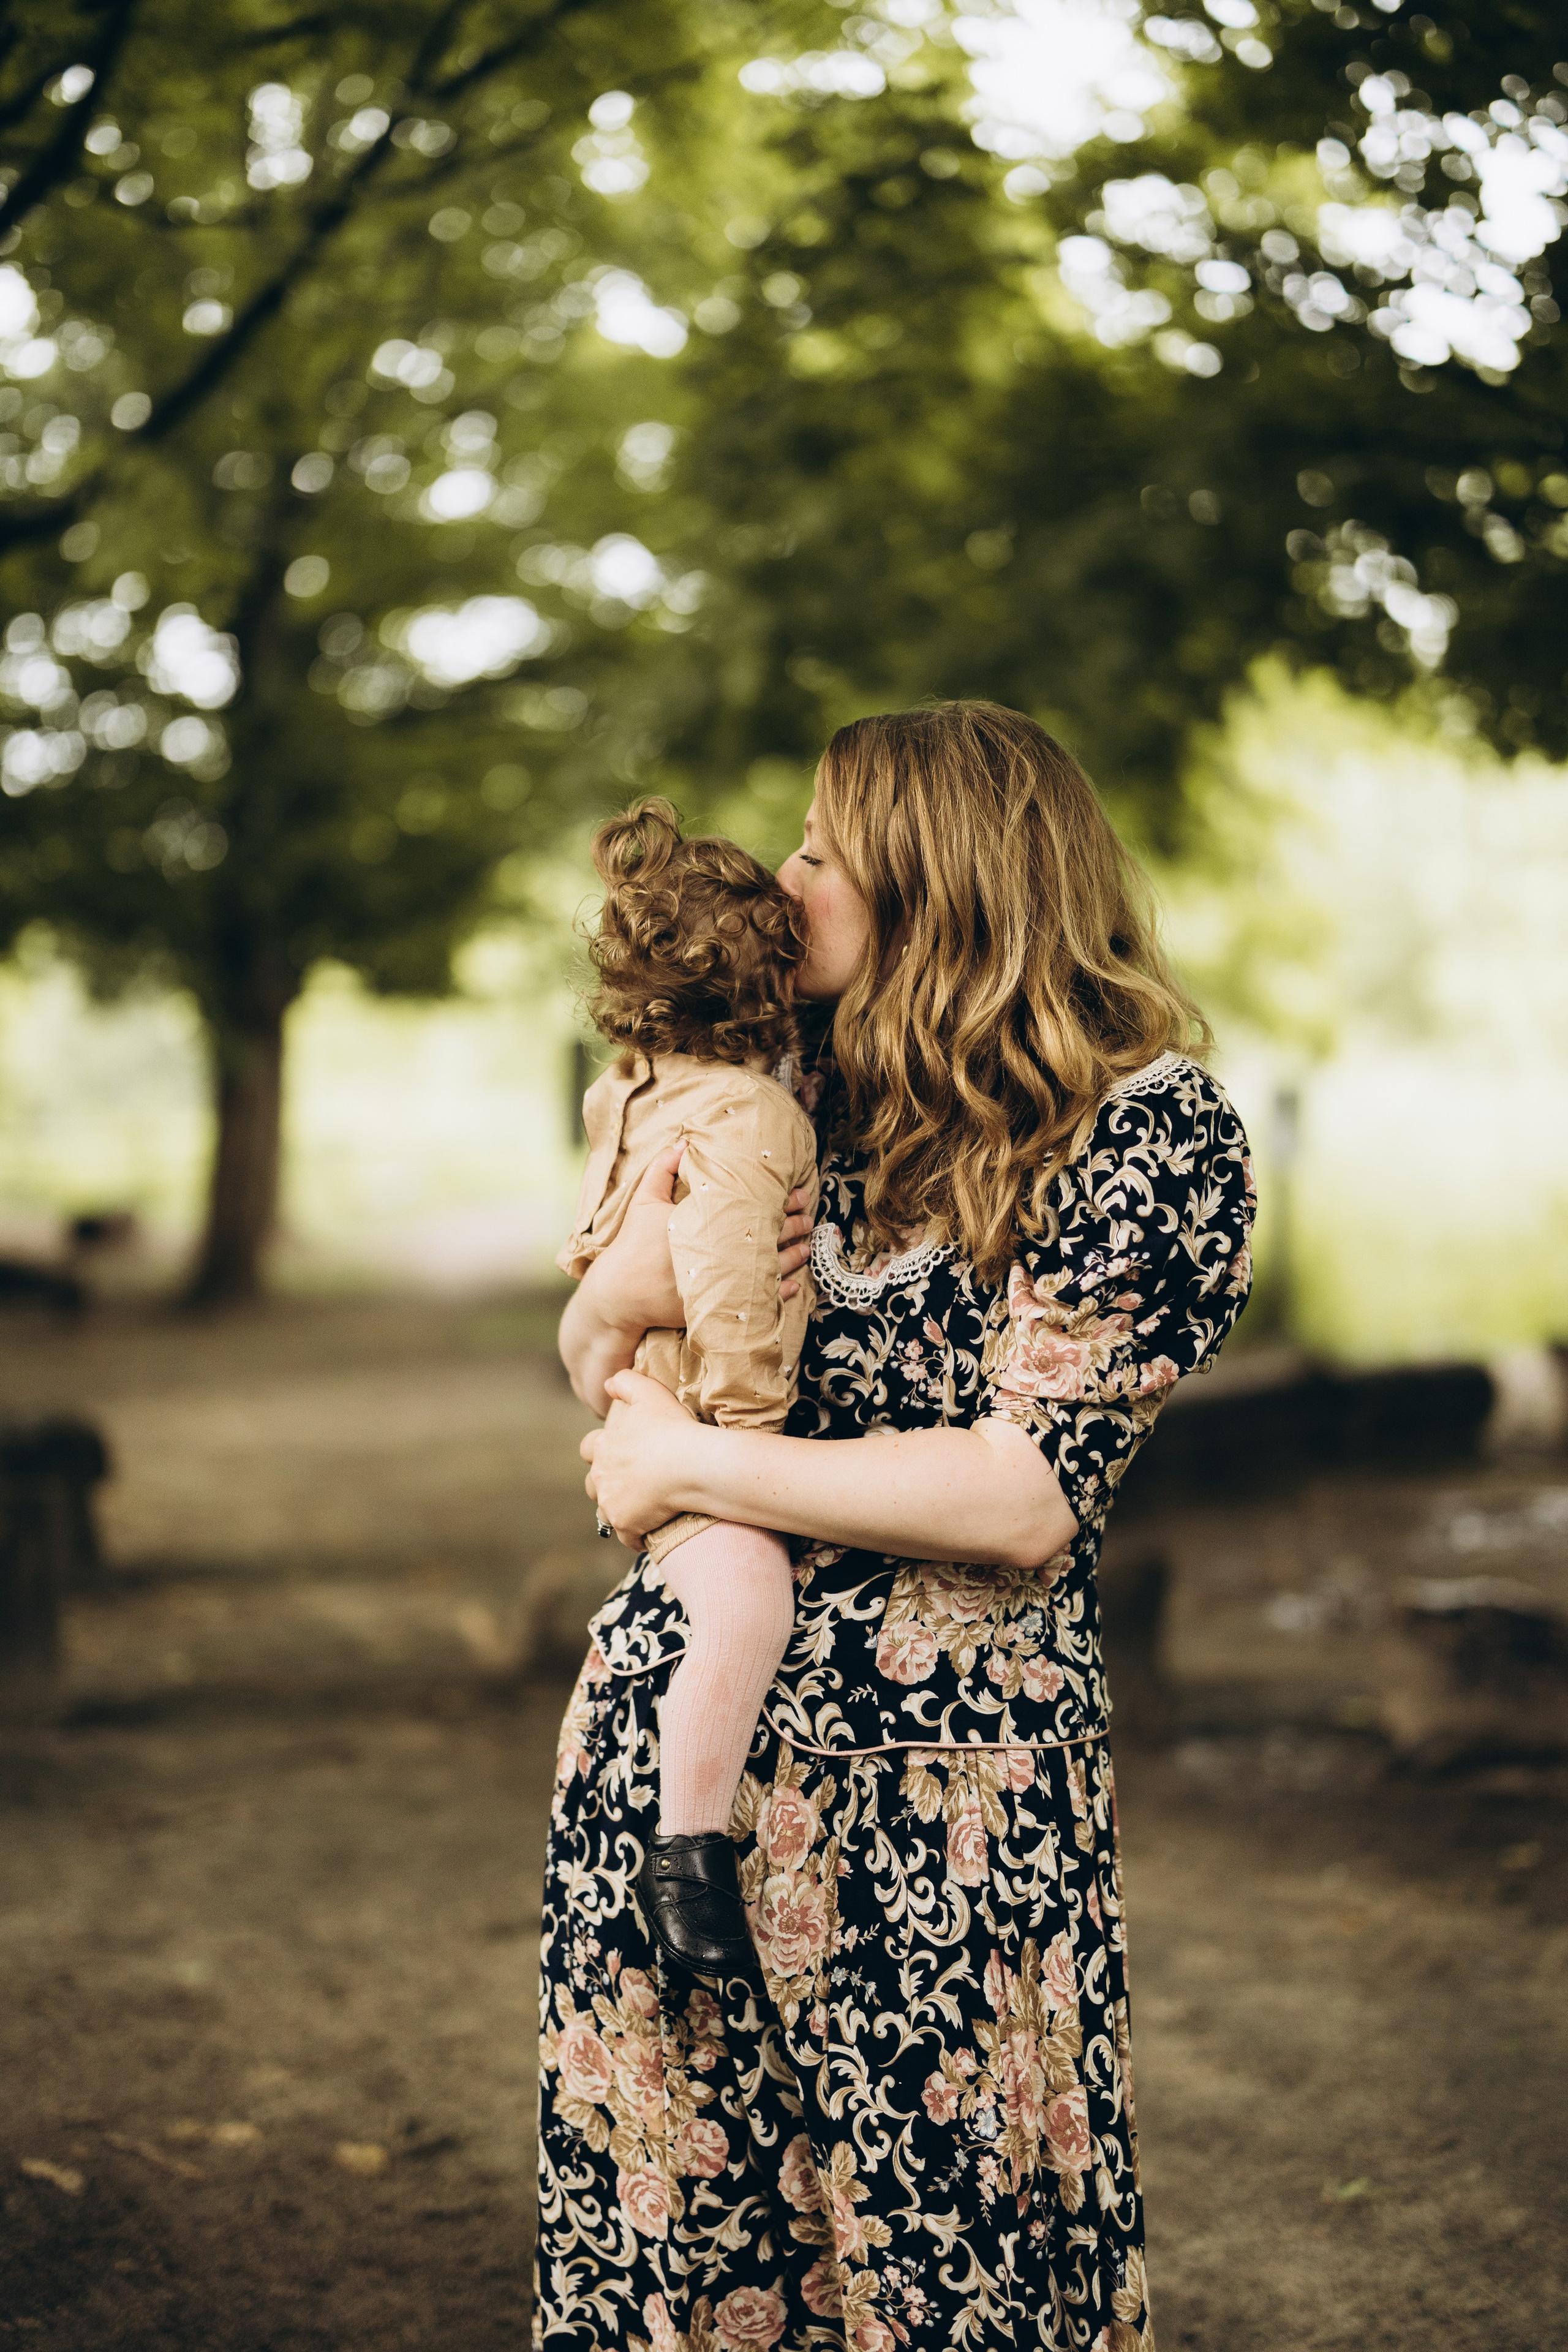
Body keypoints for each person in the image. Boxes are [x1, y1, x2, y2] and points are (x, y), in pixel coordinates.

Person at [539, 703, 1254, 2352]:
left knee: (942, 2268)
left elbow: (1018, 1495)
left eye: (817, 845)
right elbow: (627, 1343)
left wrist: (686, 1479)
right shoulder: (791, 1087)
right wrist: (635, 1356)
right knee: (689, 2265)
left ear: (929, 881)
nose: (785, 881)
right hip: (678, 1792)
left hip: (943, 1817)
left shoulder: (1149, 1138)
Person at [557, 801, 820, 1978]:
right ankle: (688, 1848)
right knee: (748, 1594)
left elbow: (592, 1263)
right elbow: (721, 1284)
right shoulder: (749, 1111)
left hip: (635, 1405)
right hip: (698, 1418)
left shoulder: (625, 1092)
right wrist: (750, 1437)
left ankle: (682, 1841)